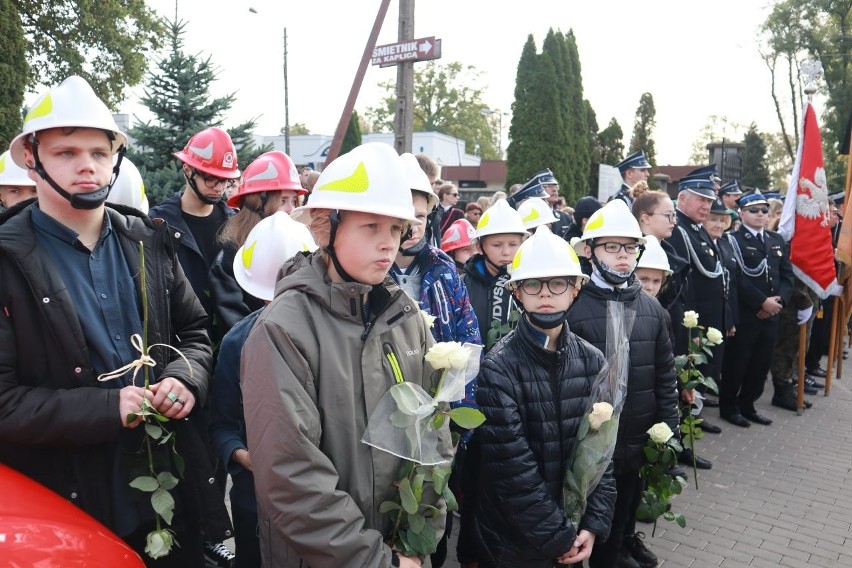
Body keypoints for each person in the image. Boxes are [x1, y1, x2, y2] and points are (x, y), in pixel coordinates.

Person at [0, 75, 227, 565]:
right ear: (32, 160)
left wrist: (184, 379)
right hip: (69, 506)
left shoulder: (150, 242)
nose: (87, 166)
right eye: (66, 153)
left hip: (170, 492)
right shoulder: (6, 262)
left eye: (100, 154)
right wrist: (105, 409)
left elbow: (195, 335)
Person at [240, 142, 449, 568]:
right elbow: (290, 477)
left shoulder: (406, 319)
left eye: (396, 229)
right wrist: (378, 562)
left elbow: (433, 436)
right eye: (371, 227)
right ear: (324, 228)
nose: (388, 244)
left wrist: (417, 538)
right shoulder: (282, 329)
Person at [473, 225, 616, 567]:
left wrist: (593, 524)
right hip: (515, 539)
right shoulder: (499, 368)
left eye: (558, 283)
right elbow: (511, 469)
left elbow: (602, 456)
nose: (546, 294)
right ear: (517, 293)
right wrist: (558, 537)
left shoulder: (593, 359)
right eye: (533, 285)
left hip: (573, 530)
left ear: (576, 289)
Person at [566, 199, 678, 568]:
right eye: (611, 247)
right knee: (574, 530)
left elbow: (664, 375)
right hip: (580, 449)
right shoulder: (573, 307)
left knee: (616, 528)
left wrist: (668, 432)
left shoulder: (652, 310)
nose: (623, 257)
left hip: (632, 446)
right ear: (588, 250)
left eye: (630, 248)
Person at [210, 212, 317, 568]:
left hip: (320, 499)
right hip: (254, 500)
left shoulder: (331, 340)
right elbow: (221, 424)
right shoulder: (236, 343)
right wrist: (244, 456)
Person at [391, 152, 482, 568]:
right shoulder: (367, 274)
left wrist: (460, 416)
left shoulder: (444, 269)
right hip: (387, 418)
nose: (411, 226)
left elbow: (467, 340)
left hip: (439, 415)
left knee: (432, 511)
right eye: (401, 215)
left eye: (420, 216)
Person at [148, 126, 241, 344]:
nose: (219, 187)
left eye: (226, 180)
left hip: (230, 342)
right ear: (188, 170)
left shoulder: (236, 223)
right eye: (212, 178)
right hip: (181, 344)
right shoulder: (158, 223)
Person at [210, 151, 307, 335]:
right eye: (283, 200)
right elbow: (235, 329)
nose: (291, 209)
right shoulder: (230, 260)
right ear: (257, 204)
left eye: (294, 200)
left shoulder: (300, 246)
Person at [721, 190, 794, 427]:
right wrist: (762, 302)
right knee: (737, 363)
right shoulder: (733, 240)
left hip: (771, 315)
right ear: (741, 213)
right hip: (747, 314)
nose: (760, 215)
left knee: (760, 364)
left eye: (764, 210)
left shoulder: (775, 240)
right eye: (754, 210)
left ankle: (748, 405)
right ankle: (729, 408)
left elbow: (786, 276)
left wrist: (778, 303)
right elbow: (737, 277)